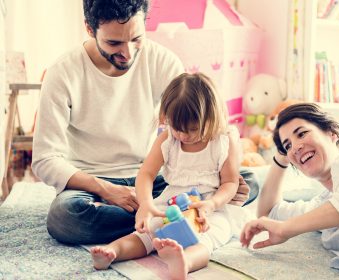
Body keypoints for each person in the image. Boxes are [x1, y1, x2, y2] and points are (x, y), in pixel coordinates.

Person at [32, 0, 258, 245]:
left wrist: (226, 174)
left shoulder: (163, 61)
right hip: (92, 183)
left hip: (157, 177)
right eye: (114, 43)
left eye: (136, 38)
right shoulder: (62, 73)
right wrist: (106, 189)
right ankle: (173, 217)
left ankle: (160, 215)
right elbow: (45, 160)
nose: (128, 52)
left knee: (249, 182)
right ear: (89, 28)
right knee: (64, 218)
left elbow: (193, 118)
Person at [90, 72, 248, 279]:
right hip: (171, 202)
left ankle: (184, 262)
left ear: (212, 118)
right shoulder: (168, 139)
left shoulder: (223, 141)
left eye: (192, 129)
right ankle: (113, 251)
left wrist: (212, 204)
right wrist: (146, 205)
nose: (183, 135)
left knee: (207, 238)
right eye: (176, 128)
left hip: (209, 207)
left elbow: (230, 182)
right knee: (147, 232)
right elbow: (146, 173)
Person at [240, 103, 339, 279]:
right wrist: (281, 158)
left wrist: (287, 228)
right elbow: (267, 213)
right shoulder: (320, 207)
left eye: (301, 134)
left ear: (331, 132)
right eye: (288, 145)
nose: (295, 147)